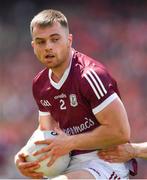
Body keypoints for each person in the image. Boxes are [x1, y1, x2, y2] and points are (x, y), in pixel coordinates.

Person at [14, 9, 136, 179]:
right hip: (66, 161)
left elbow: (121, 132)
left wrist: (71, 142)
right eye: (41, 42)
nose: (48, 46)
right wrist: (26, 157)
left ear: (69, 40)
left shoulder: (90, 76)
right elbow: (47, 130)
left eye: (55, 39)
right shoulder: (39, 84)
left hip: (105, 161)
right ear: (34, 46)